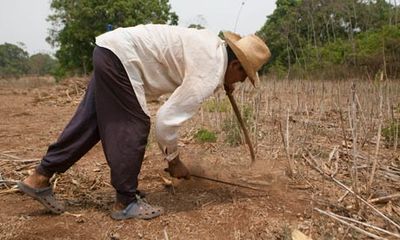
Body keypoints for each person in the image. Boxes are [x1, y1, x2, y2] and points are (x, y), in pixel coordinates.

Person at [17, 24, 271, 220]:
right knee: (136, 124)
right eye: (242, 76)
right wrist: (174, 161)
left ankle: (38, 178)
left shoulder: (213, 49)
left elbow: (200, 69)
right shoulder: (210, 70)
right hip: (122, 60)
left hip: (110, 51)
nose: (238, 83)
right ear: (235, 65)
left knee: (90, 123)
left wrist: (222, 80)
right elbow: (166, 121)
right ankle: (125, 202)